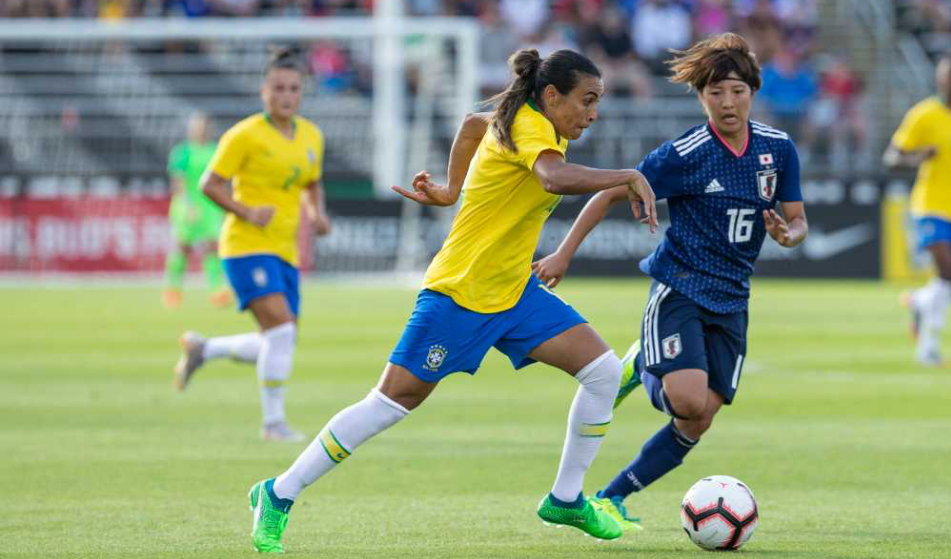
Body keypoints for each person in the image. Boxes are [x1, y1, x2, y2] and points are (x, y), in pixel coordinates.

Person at [245, 48, 660, 553]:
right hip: (461, 292)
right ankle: (278, 492)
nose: (593, 113)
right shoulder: (531, 129)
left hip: (512, 291)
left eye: (597, 102)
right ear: (551, 96)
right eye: (586, 101)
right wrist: (626, 175)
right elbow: (553, 178)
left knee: (601, 371)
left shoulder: (524, 122)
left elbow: (469, 124)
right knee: (391, 402)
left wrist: (450, 190)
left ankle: (566, 498)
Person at [532, 33, 808, 528]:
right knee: (683, 396)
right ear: (701, 96)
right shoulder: (686, 153)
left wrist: (789, 236)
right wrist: (563, 253)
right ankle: (644, 364)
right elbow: (610, 193)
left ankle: (613, 496)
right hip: (679, 287)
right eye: (715, 92)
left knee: (698, 416)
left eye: (737, 91)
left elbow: (797, 219)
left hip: (732, 299)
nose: (727, 102)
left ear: (753, 91)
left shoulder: (778, 150)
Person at [172, 48, 332, 444]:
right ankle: (273, 424)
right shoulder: (243, 135)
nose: (286, 95)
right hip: (244, 245)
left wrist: (316, 213)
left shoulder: (312, 135)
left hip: (284, 250)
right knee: (280, 334)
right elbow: (209, 183)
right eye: (278, 88)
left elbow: (311, 182)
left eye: (294, 88)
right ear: (264, 91)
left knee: (279, 338)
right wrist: (243, 211)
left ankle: (203, 349)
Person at [885, 54, 951, 367]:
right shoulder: (923, 115)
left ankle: (919, 301)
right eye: (946, 76)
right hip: (930, 204)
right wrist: (917, 157)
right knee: (945, 273)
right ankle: (928, 348)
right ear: (938, 80)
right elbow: (891, 157)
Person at [162, 112, 231, 309]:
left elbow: (222, 180)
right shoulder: (182, 151)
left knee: (212, 248)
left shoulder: (216, 150)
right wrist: (187, 204)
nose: (200, 129)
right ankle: (172, 289)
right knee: (183, 247)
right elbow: (178, 182)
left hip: (210, 206)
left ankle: (216, 290)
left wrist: (225, 205)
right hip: (187, 206)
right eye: (197, 126)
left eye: (203, 126)